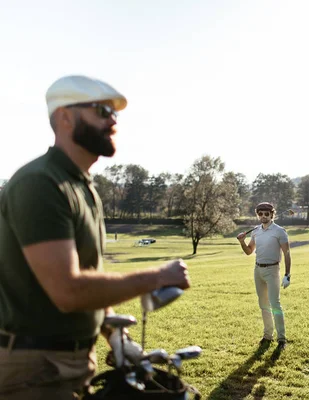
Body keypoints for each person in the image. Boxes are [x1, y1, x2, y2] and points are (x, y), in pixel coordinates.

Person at [0, 75, 191, 399]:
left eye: (115, 114)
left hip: (72, 362)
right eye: (102, 111)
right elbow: (68, 291)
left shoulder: (82, 186)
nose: (113, 121)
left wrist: (113, 336)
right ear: (64, 117)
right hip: (35, 369)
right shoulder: (41, 184)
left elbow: (87, 277)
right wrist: (157, 277)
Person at [237, 202, 291, 350]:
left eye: (266, 213)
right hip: (258, 270)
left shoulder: (280, 231)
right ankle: (268, 335)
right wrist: (242, 242)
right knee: (263, 305)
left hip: (273, 270)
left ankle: (281, 339)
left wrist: (287, 274)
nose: (263, 216)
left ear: (272, 214)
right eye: (260, 213)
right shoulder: (255, 232)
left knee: (275, 304)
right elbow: (249, 251)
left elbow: (286, 253)